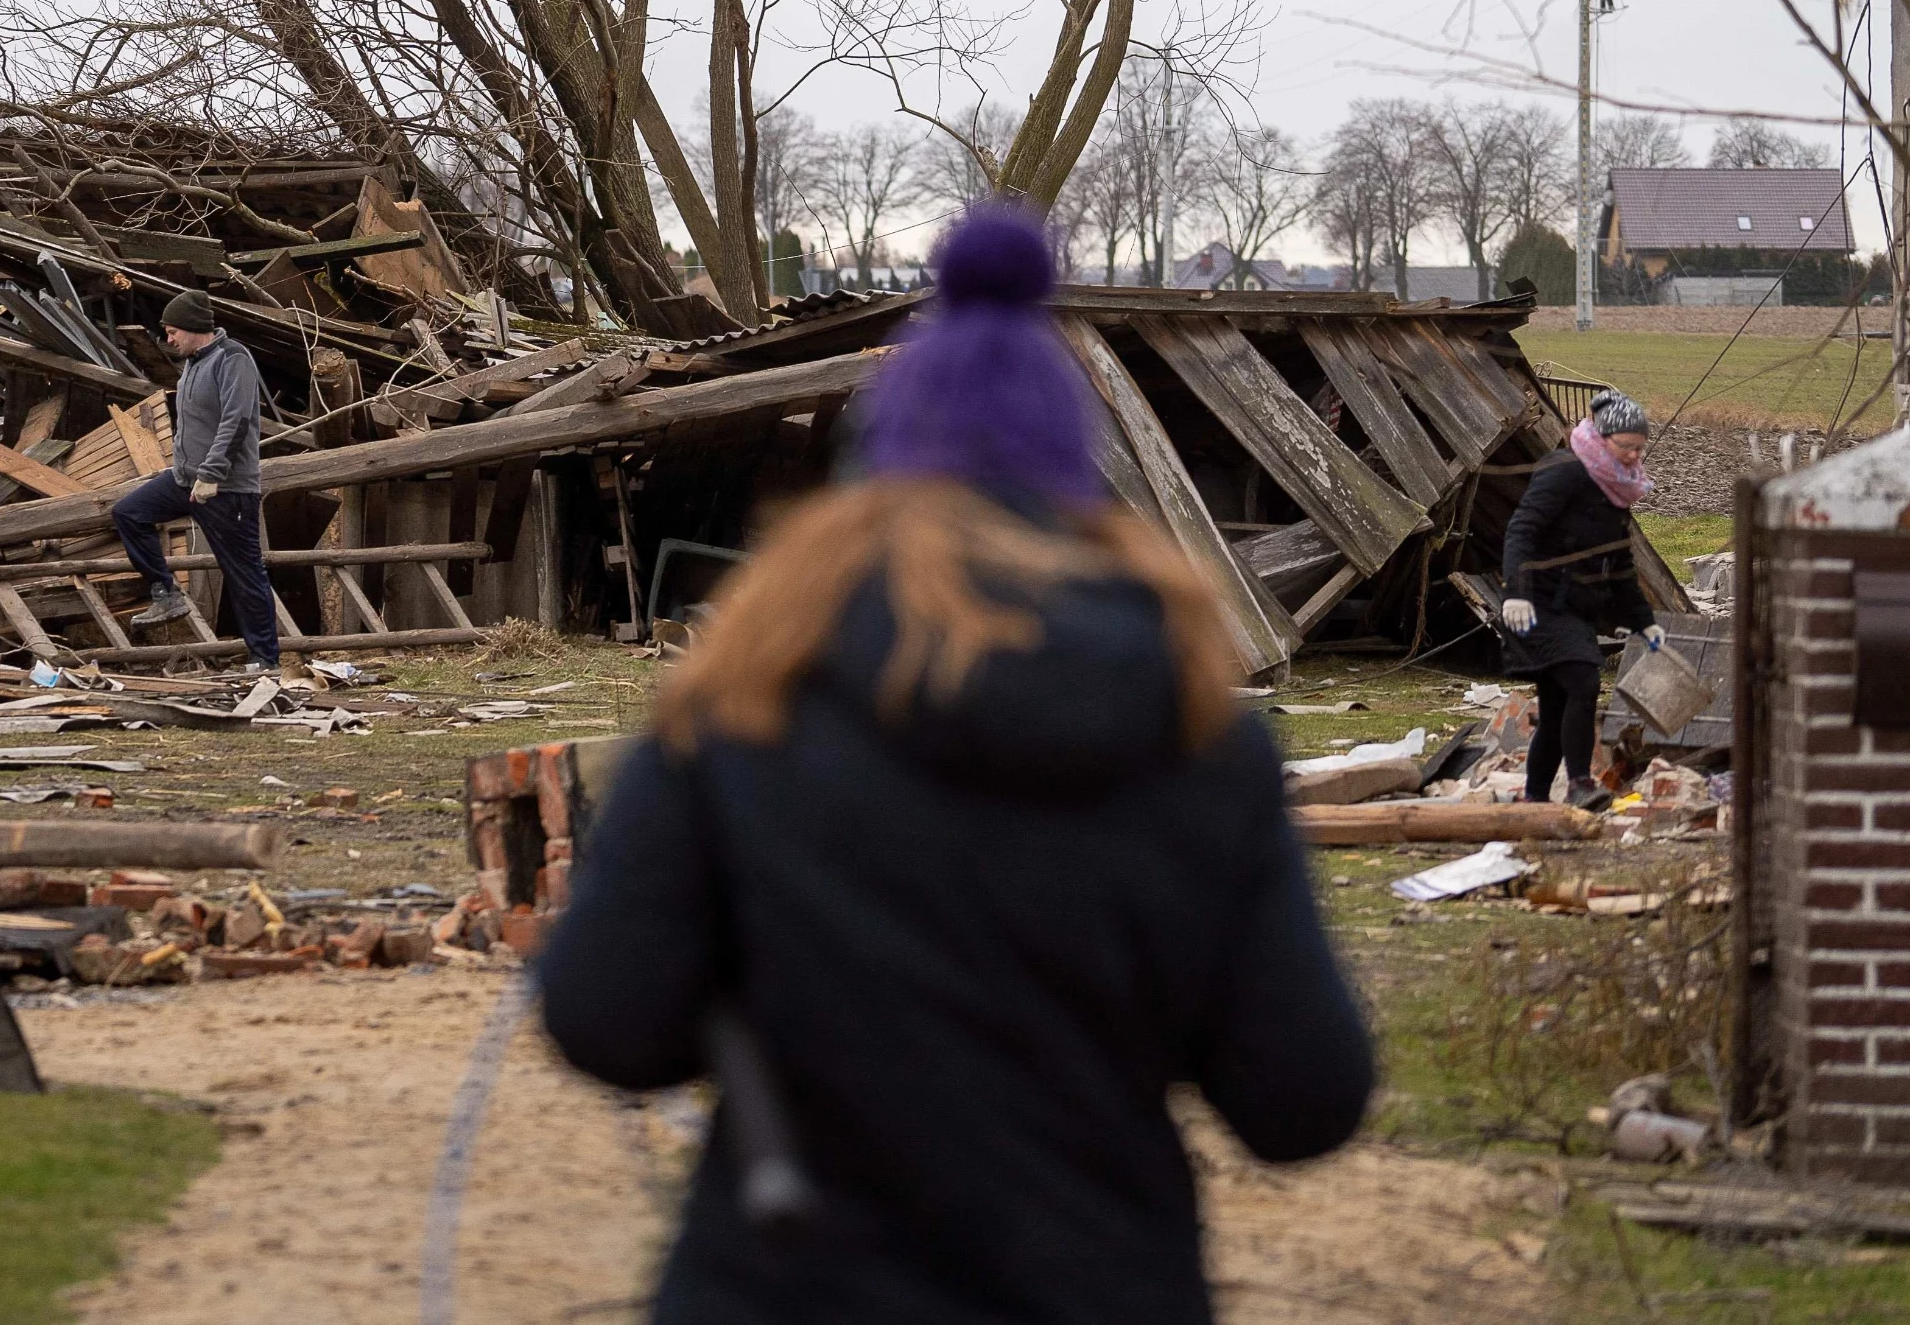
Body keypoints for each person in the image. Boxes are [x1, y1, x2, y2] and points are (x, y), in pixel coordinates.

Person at [541, 203, 1374, 1325]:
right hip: (1096, 1285)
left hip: (781, 1286)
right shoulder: (1198, 741)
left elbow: (607, 1021)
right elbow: (1302, 1101)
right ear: (1077, 486)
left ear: (869, 475)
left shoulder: (739, 714)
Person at [1499, 386, 1665, 813]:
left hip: (1577, 607)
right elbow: (1521, 530)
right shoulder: (1566, 473)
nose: (1633, 457)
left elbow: (1620, 561)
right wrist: (1515, 595)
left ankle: (1535, 800)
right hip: (1539, 605)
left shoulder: (1616, 488)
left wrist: (1644, 620)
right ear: (1603, 438)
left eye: (1639, 449)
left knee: (1556, 708)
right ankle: (1578, 783)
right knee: (1584, 679)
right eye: (1627, 447)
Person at [110, 291, 280, 673]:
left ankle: (264, 660)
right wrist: (183, 468)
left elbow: (236, 422)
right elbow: (195, 426)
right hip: (186, 480)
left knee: (243, 572)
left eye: (173, 332)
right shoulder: (192, 363)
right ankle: (166, 593)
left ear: (194, 329)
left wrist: (212, 473)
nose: (168, 339)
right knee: (130, 512)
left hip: (227, 488)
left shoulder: (232, 359)